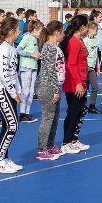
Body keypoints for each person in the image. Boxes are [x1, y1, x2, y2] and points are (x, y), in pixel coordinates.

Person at [0, 18, 23, 174]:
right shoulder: (3, 49)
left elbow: (12, 72)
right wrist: (11, 92)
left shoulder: (12, 47)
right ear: (11, 31)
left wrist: (18, 91)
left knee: (7, 125)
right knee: (13, 125)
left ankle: (4, 158)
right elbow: (3, 74)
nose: (20, 32)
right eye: (18, 29)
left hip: (8, 90)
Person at [35, 21, 65, 160]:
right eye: (63, 32)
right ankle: (42, 149)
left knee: (55, 117)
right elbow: (50, 70)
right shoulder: (49, 47)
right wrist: (55, 89)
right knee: (48, 117)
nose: (64, 35)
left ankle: (50, 145)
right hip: (48, 86)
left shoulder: (54, 46)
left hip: (54, 86)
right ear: (57, 32)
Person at [61, 15, 91, 152]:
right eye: (87, 26)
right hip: (73, 83)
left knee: (80, 111)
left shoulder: (80, 40)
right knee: (73, 112)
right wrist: (78, 83)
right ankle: (66, 142)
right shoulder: (73, 42)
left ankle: (74, 139)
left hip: (81, 81)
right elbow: (71, 64)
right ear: (82, 27)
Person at [17, 21, 41, 123]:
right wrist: (31, 54)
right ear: (35, 30)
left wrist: (38, 55)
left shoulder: (35, 38)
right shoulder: (26, 37)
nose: (41, 33)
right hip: (26, 67)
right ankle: (22, 113)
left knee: (31, 91)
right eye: (40, 31)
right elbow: (18, 50)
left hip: (33, 67)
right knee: (25, 91)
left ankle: (27, 112)